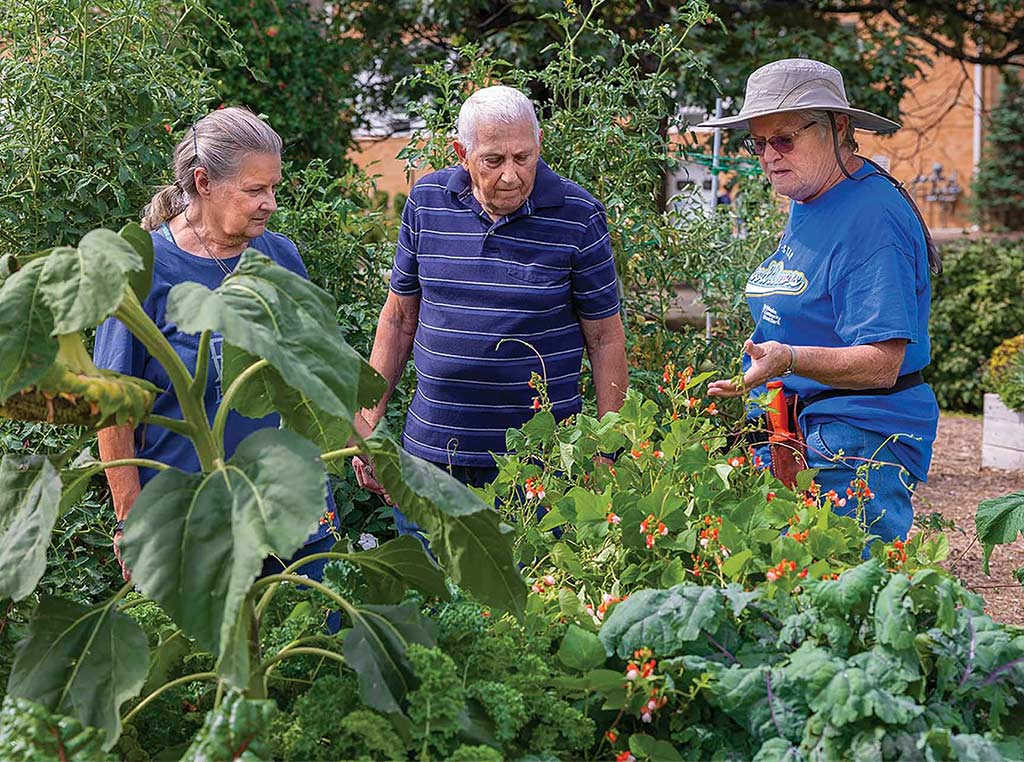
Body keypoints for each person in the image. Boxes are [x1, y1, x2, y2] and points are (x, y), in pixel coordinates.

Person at [353, 85, 628, 532]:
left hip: (539, 467)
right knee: (434, 596)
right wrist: (365, 426)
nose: (511, 175)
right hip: (432, 457)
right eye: (493, 160)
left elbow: (605, 338)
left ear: (539, 146)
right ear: (462, 152)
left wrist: (608, 449)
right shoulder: (427, 203)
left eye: (523, 158)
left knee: (531, 596)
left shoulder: (578, 215)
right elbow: (399, 318)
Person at [700, 58, 941, 544]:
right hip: (798, 425)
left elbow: (881, 363)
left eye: (783, 139)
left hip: (856, 438)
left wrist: (788, 358)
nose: (769, 156)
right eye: (758, 142)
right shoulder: (812, 197)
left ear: (838, 127)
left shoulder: (871, 217)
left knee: (847, 598)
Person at [94, 107, 338, 586]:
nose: (269, 202)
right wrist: (130, 517)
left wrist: (367, 447)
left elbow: (319, 369)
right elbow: (111, 410)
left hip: (294, 519)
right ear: (203, 182)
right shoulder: (139, 270)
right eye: (254, 190)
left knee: (314, 654)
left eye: (273, 188)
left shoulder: (279, 256)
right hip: (190, 527)